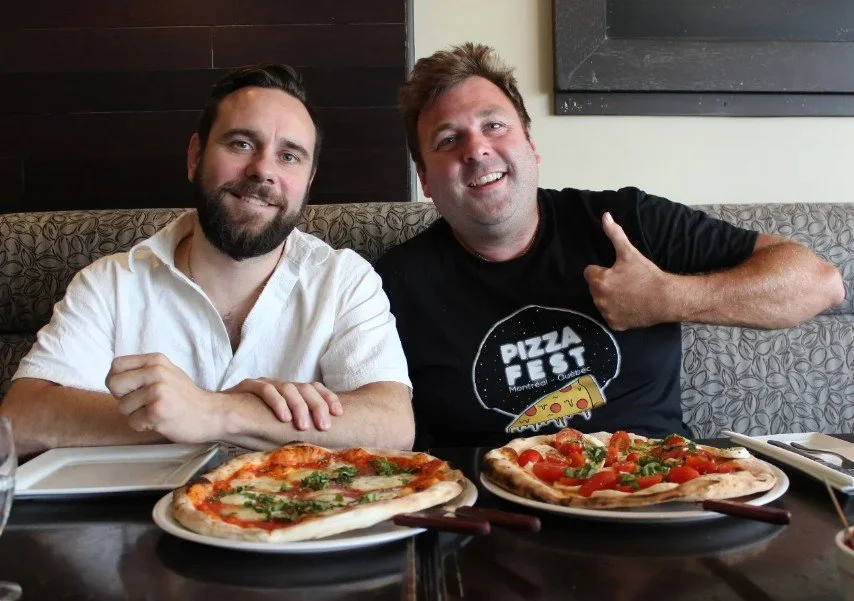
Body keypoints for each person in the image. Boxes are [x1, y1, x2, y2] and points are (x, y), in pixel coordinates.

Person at [375, 43, 845, 448]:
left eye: (494, 126)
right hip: (491, 503)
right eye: (448, 139)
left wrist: (667, 298)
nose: (476, 149)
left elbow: (819, 283)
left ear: (531, 145)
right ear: (425, 179)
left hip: (656, 485)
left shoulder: (626, 220)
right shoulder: (391, 285)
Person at [1, 64, 414, 456]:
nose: (263, 171)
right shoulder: (110, 282)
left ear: (308, 180)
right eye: (241, 144)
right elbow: (20, 419)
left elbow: (392, 424)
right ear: (196, 157)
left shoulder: (345, 280)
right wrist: (175, 416)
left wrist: (215, 413)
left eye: (289, 156)